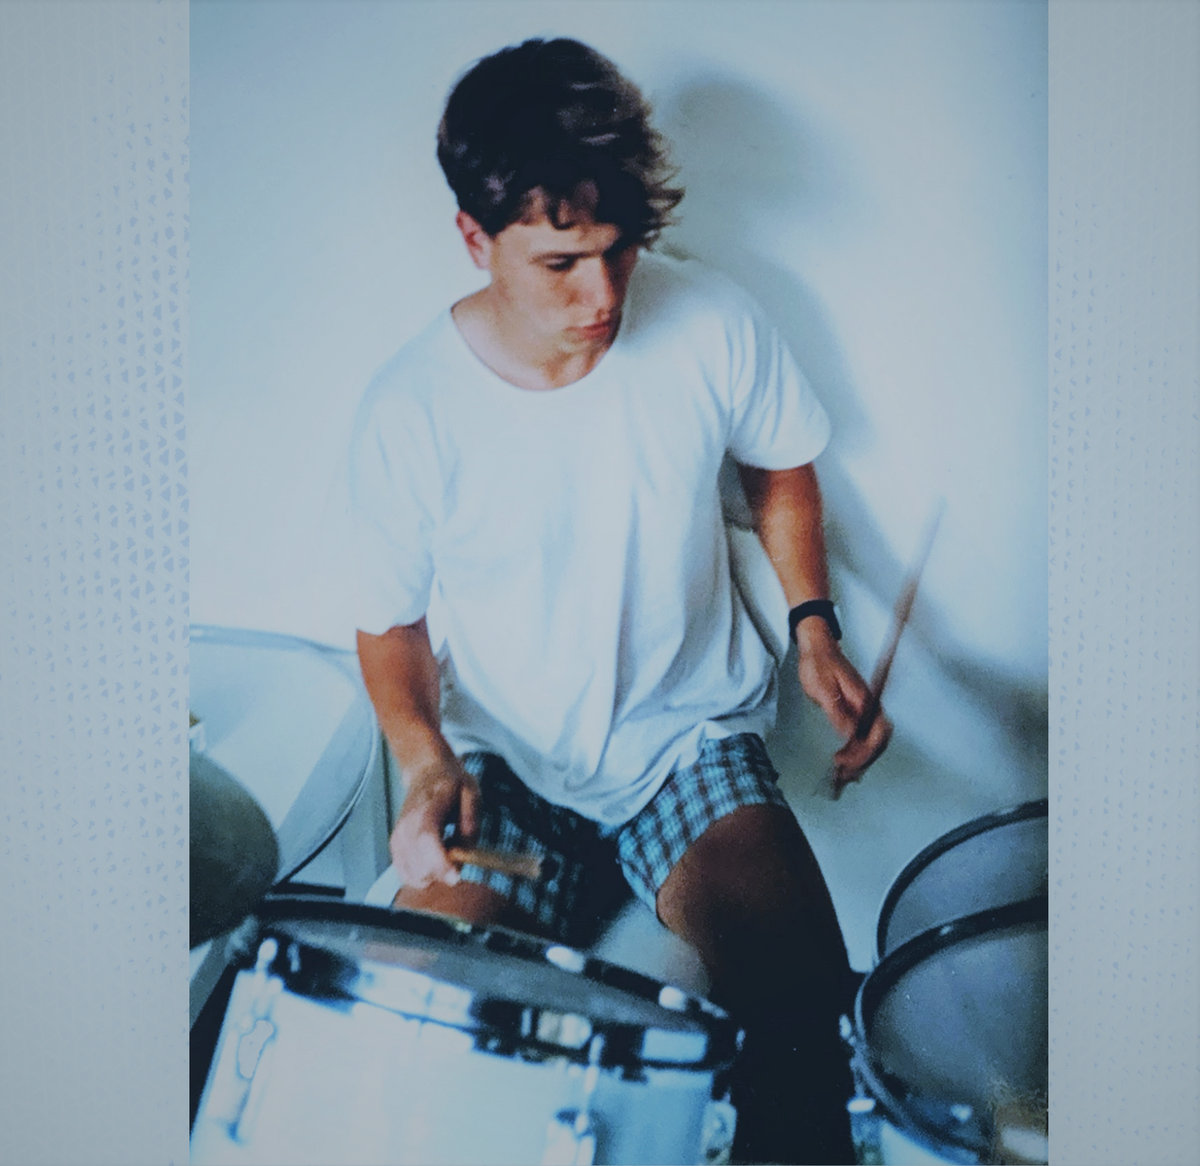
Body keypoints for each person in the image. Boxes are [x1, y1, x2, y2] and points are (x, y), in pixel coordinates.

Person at [349, 37, 891, 1165]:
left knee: (807, 1028)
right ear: (475, 237)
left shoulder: (714, 321)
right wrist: (426, 761)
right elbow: (389, 625)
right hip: (505, 762)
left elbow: (781, 465)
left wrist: (813, 626)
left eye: (619, 251)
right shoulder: (410, 410)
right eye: (561, 263)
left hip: (685, 740)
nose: (602, 296)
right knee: (416, 1052)